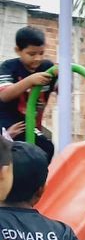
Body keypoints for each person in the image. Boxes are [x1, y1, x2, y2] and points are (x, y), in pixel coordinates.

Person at [0, 26, 56, 160]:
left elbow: (64, 89)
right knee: (19, 152)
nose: (37, 58)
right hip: (8, 122)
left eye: (41, 53)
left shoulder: (47, 68)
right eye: (32, 54)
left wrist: (65, 74)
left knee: (46, 148)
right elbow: (4, 95)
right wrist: (30, 81)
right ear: (18, 51)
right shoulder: (9, 67)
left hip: (28, 123)